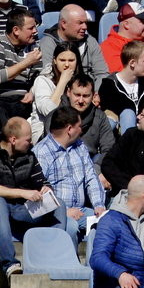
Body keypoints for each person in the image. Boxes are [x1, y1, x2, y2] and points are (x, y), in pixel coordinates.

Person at [0, 117, 67, 280]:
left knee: (58, 204)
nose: (31, 144)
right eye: (28, 140)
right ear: (13, 139)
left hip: (16, 210)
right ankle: (9, 264)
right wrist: (23, 193)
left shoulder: (28, 155)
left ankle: (54, 257)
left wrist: (46, 189)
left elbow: (42, 181)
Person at [33, 105, 105, 248]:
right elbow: (38, 192)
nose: (82, 130)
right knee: (70, 227)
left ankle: (92, 268)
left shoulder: (80, 146)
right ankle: (69, 266)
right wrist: (64, 211)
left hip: (81, 210)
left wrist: (98, 205)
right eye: (79, 126)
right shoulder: (41, 153)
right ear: (70, 129)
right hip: (55, 213)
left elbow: (91, 177)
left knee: (107, 223)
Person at [0, 9, 42, 128]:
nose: (35, 31)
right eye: (31, 28)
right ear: (16, 30)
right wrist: (26, 62)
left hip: (21, 101)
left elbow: (40, 76)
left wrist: (32, 91)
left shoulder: (33, 46)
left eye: (35, 27)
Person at [52, 73, 115, 175]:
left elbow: (109, 149)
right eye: (77, 95)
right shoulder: (55, 116)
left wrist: (97, 169)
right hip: (61, 166)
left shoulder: (99, 117)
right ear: (68, 92)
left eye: (86, 96)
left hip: (90, 165)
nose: (81, 101)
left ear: (93, 95)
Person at [39, 4, 109, 88]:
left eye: (86, 23)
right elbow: (48, 77)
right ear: (63, 23)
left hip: (89, 94)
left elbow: (102, 74)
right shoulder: (48, 43)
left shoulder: (90, 41)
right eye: (80, 23)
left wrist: (95, 94)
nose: (85, 27)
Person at [98, 40, 144, 134]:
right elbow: (108, 114)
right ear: (132, 63)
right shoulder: (109, 85)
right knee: (128, 114)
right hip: (116, 136)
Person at [99, 2, 144, 79]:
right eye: (143, 22)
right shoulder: (108, 46)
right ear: (126, 24)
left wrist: (136, 68)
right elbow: (120, 73)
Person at [29, 43, 80, 142]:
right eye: (62, 60)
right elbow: (48, 111)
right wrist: (63, 82)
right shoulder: (42, 80)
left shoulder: (81, 82)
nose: (66, 65)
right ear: (55, 61)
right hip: (45, 135)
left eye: (71, 60)